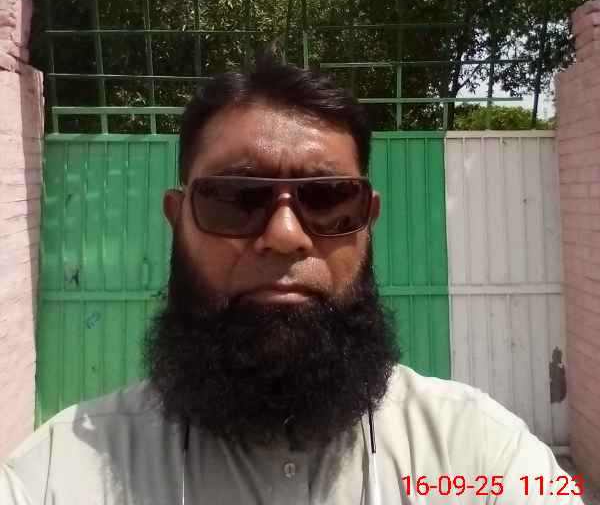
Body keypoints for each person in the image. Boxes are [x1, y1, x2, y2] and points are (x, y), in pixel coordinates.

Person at [0, 55, 584, 504]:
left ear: (368, 222)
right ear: (178, 221)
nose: (284, 235)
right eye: (236, 198)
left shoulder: (482, 455)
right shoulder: (57, 473)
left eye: (327, 198)